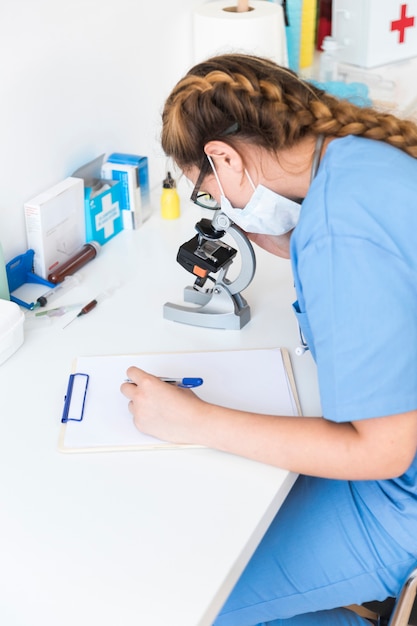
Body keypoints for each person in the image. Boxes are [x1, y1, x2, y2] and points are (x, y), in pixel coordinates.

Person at [121, 54, 417, 625]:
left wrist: (194, 421)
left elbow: (385, 450)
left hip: (399, 503)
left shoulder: (339, 233)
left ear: (224, 158)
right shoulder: (360, 158)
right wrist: (298, 243)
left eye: (207, 194)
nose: (220, 209)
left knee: (186, 601)